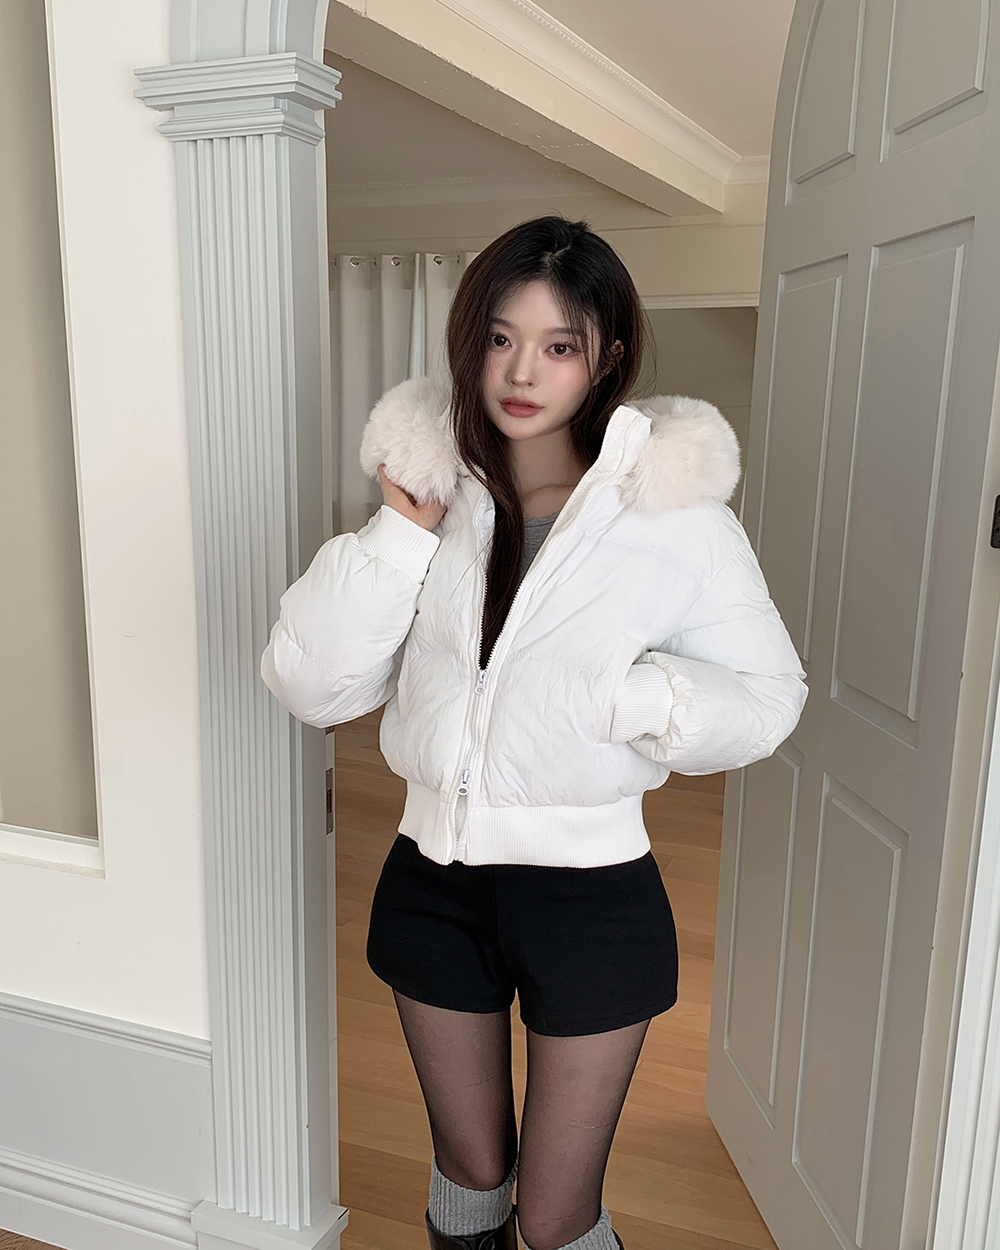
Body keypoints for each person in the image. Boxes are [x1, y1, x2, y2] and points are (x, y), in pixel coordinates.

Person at [260, 215, 808, 1250]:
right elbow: (312, 686)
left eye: (559, 345)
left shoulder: (676, 517)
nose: (522, 372)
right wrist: (400, 529)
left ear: (606, 357)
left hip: (591, 898)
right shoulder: (434, 497)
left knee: (556, 1216)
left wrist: (629, 701)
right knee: (470, 1174)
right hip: (433, 881)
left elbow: (770, 694)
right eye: (501, 338)